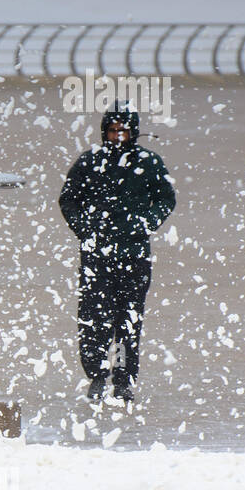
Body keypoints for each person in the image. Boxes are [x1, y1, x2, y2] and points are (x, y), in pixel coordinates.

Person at [58, 103, 175, 402]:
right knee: (95, 318)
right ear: (105, 131)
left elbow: (165, 198)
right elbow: (68, 199)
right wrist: (85, 230)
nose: (117, 136)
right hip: (97, 255)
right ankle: (97, 376)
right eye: (112, 130)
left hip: (134, 254)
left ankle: (123, 378)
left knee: (128, 320)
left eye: (123, 130)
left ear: (133, 132)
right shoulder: (90, 162)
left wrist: (146, 223)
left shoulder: (149, 163)